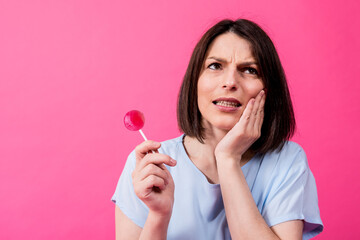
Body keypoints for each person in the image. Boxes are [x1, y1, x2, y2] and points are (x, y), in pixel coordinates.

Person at [112, 19, 323, 240]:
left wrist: (228, 158)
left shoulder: (287, 160)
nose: (230, 82)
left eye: (250, 70)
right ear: (195, 80)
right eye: (215, 66)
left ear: (268, 90)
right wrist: (159, 215)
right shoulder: (150, 165)